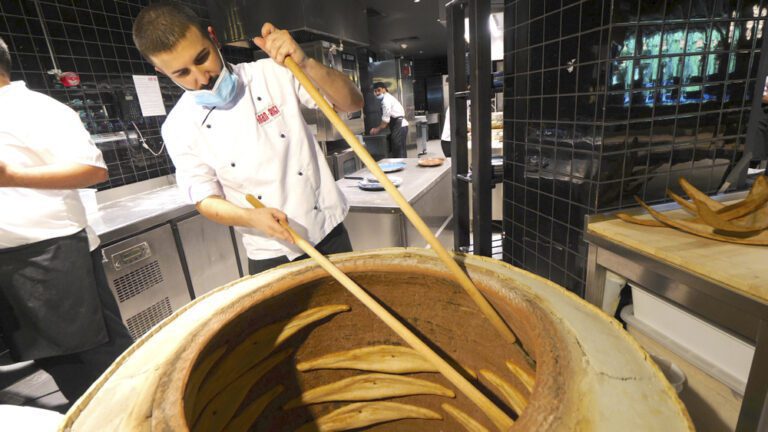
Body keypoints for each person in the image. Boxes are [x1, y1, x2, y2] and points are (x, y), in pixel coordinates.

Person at [132, 3, 363, 275]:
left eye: (202, 58)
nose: (201, 78)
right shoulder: (178, 126)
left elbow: (352, 103)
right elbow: (205, 198)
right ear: (162, 72)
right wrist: (249, 217)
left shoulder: (272, 73)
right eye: (182, 74)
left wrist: (305, 62)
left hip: (328, 233)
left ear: (213, 37)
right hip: (268, 253)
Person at [0, 37, 132, 409]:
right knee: (58, 364)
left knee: (99, 363)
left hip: (54, 254)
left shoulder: (37, 109)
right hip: (10, 261)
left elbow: (92, 169)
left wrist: (12, 177)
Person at [369, 82, 408, 158]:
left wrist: (376, 129)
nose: (377, 93)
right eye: (375, 91)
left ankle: (401, 167)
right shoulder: (388, 97)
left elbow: (385, 121)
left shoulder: (385, 101)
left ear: (384, 89)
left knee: (398, 152)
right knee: (400, 150)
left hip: (399, 126)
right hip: (400, 125)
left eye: (378, 90)